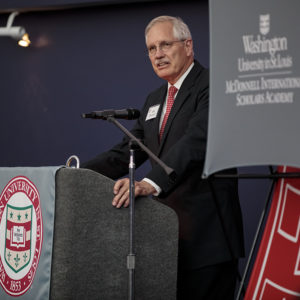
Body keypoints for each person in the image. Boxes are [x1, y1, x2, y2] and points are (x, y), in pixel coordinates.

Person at [82, 15, 244, 299]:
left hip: (210, 238)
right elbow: (128, 150)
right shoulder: (154, 99)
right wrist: (76, 175)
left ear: (188, 45)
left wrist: (149, 183)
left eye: (165, 44)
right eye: (151, 48)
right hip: (169, 239)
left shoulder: (213, 85)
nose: (158, 54)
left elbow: (196, 141)